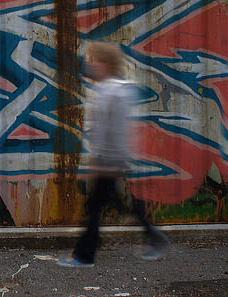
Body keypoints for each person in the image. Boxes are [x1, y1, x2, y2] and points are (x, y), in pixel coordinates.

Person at [58, 42, 169, 268]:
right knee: (114, 204)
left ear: (107, 63)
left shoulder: (114, 91)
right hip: (109, 158)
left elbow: (116, 130)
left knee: (96, 206)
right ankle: (152, 235)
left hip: (110, 159)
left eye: (95, 59)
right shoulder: (107, 88)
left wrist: (103, 160)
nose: (90, 64)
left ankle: (85, 254)